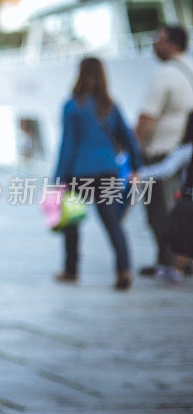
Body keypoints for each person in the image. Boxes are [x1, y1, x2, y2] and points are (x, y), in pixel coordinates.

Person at [53, 57, 142, 291]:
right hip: (107, 172)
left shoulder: (72, 106)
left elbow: (68, 145)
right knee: (113, 223)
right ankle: (124, 269)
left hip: (78, 173)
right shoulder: (111, 106)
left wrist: (58, 179)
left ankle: (71, 271)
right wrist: (136, 167)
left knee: (72, 224)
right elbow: (128, 138)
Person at [134, 26, 193, 278]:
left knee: (160, 211)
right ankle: (174, 260)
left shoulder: (165, 74)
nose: (154, 44)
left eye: (158, 39)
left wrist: (133, 150)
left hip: (162, 151)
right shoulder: (189, 69)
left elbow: (148, 117)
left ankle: (171, 262)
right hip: (184, 151)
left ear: (172, 43)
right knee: (176, 207)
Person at [132, 112, 193, 283]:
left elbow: (166, 169)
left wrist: (141, 174)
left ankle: (176, 271)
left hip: (189, 200)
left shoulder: (187, 149)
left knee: (181, 237)